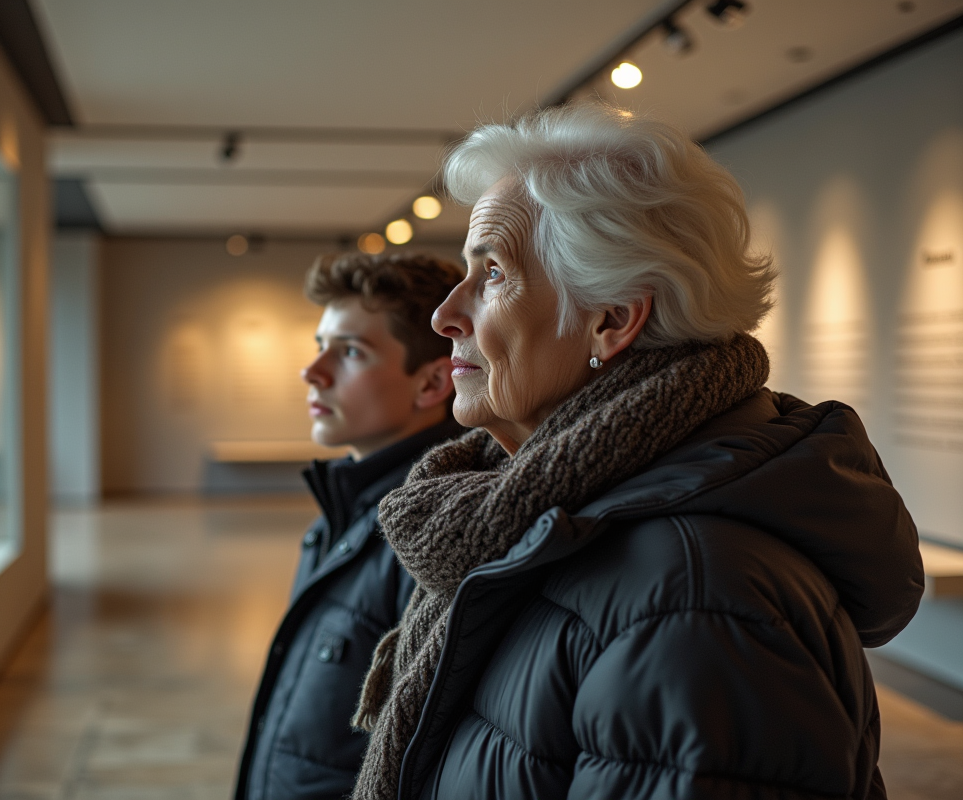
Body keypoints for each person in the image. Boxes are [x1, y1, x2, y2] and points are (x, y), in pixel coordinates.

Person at [348, 104, 924, 800]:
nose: (445, 314)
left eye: (492, 272)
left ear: (613, 320)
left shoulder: (694, 598)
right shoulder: (530, 519)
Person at [234, 251, 465, 800]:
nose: (313, 371)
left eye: (351, 351)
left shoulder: (431, 538)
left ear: (432, 383)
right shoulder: (345, 508)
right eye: (320, 345)